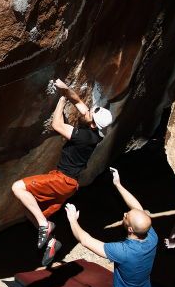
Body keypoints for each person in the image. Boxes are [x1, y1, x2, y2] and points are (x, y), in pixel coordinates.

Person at [64, 168, 161, 287]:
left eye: (126, 217)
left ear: (131, 229)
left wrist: (73, 220)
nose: (125, 213)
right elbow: (138, 209)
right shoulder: (151, 237)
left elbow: (85, 240)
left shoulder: (123, 251)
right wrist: (118, 184)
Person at [10, 79, 112, 260]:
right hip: (68, 185)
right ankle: (51, 242)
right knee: (30, 210)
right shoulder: (94, 132)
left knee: (18, 187)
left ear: (93, 123)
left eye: (89, 113)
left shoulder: (85, 137)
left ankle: (44, 225)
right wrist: (66, 90)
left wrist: (61, 101)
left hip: (62, 180)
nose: (86, 111)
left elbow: (56, 125)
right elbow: (80, 103)